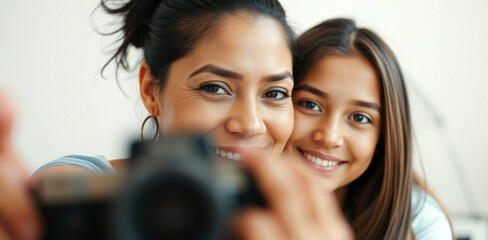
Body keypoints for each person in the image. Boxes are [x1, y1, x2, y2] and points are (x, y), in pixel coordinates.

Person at [0, 1, 353, 239]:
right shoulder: (85, 188)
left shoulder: (295, 221)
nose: (251, 125)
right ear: (151, 90)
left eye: (274, 94)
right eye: (215, 88)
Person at [284, 18, 454, 240]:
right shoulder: (231, 202)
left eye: (360, 117)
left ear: (382, 139)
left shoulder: (420, 224)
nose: (329, 137)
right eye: (310, 104)